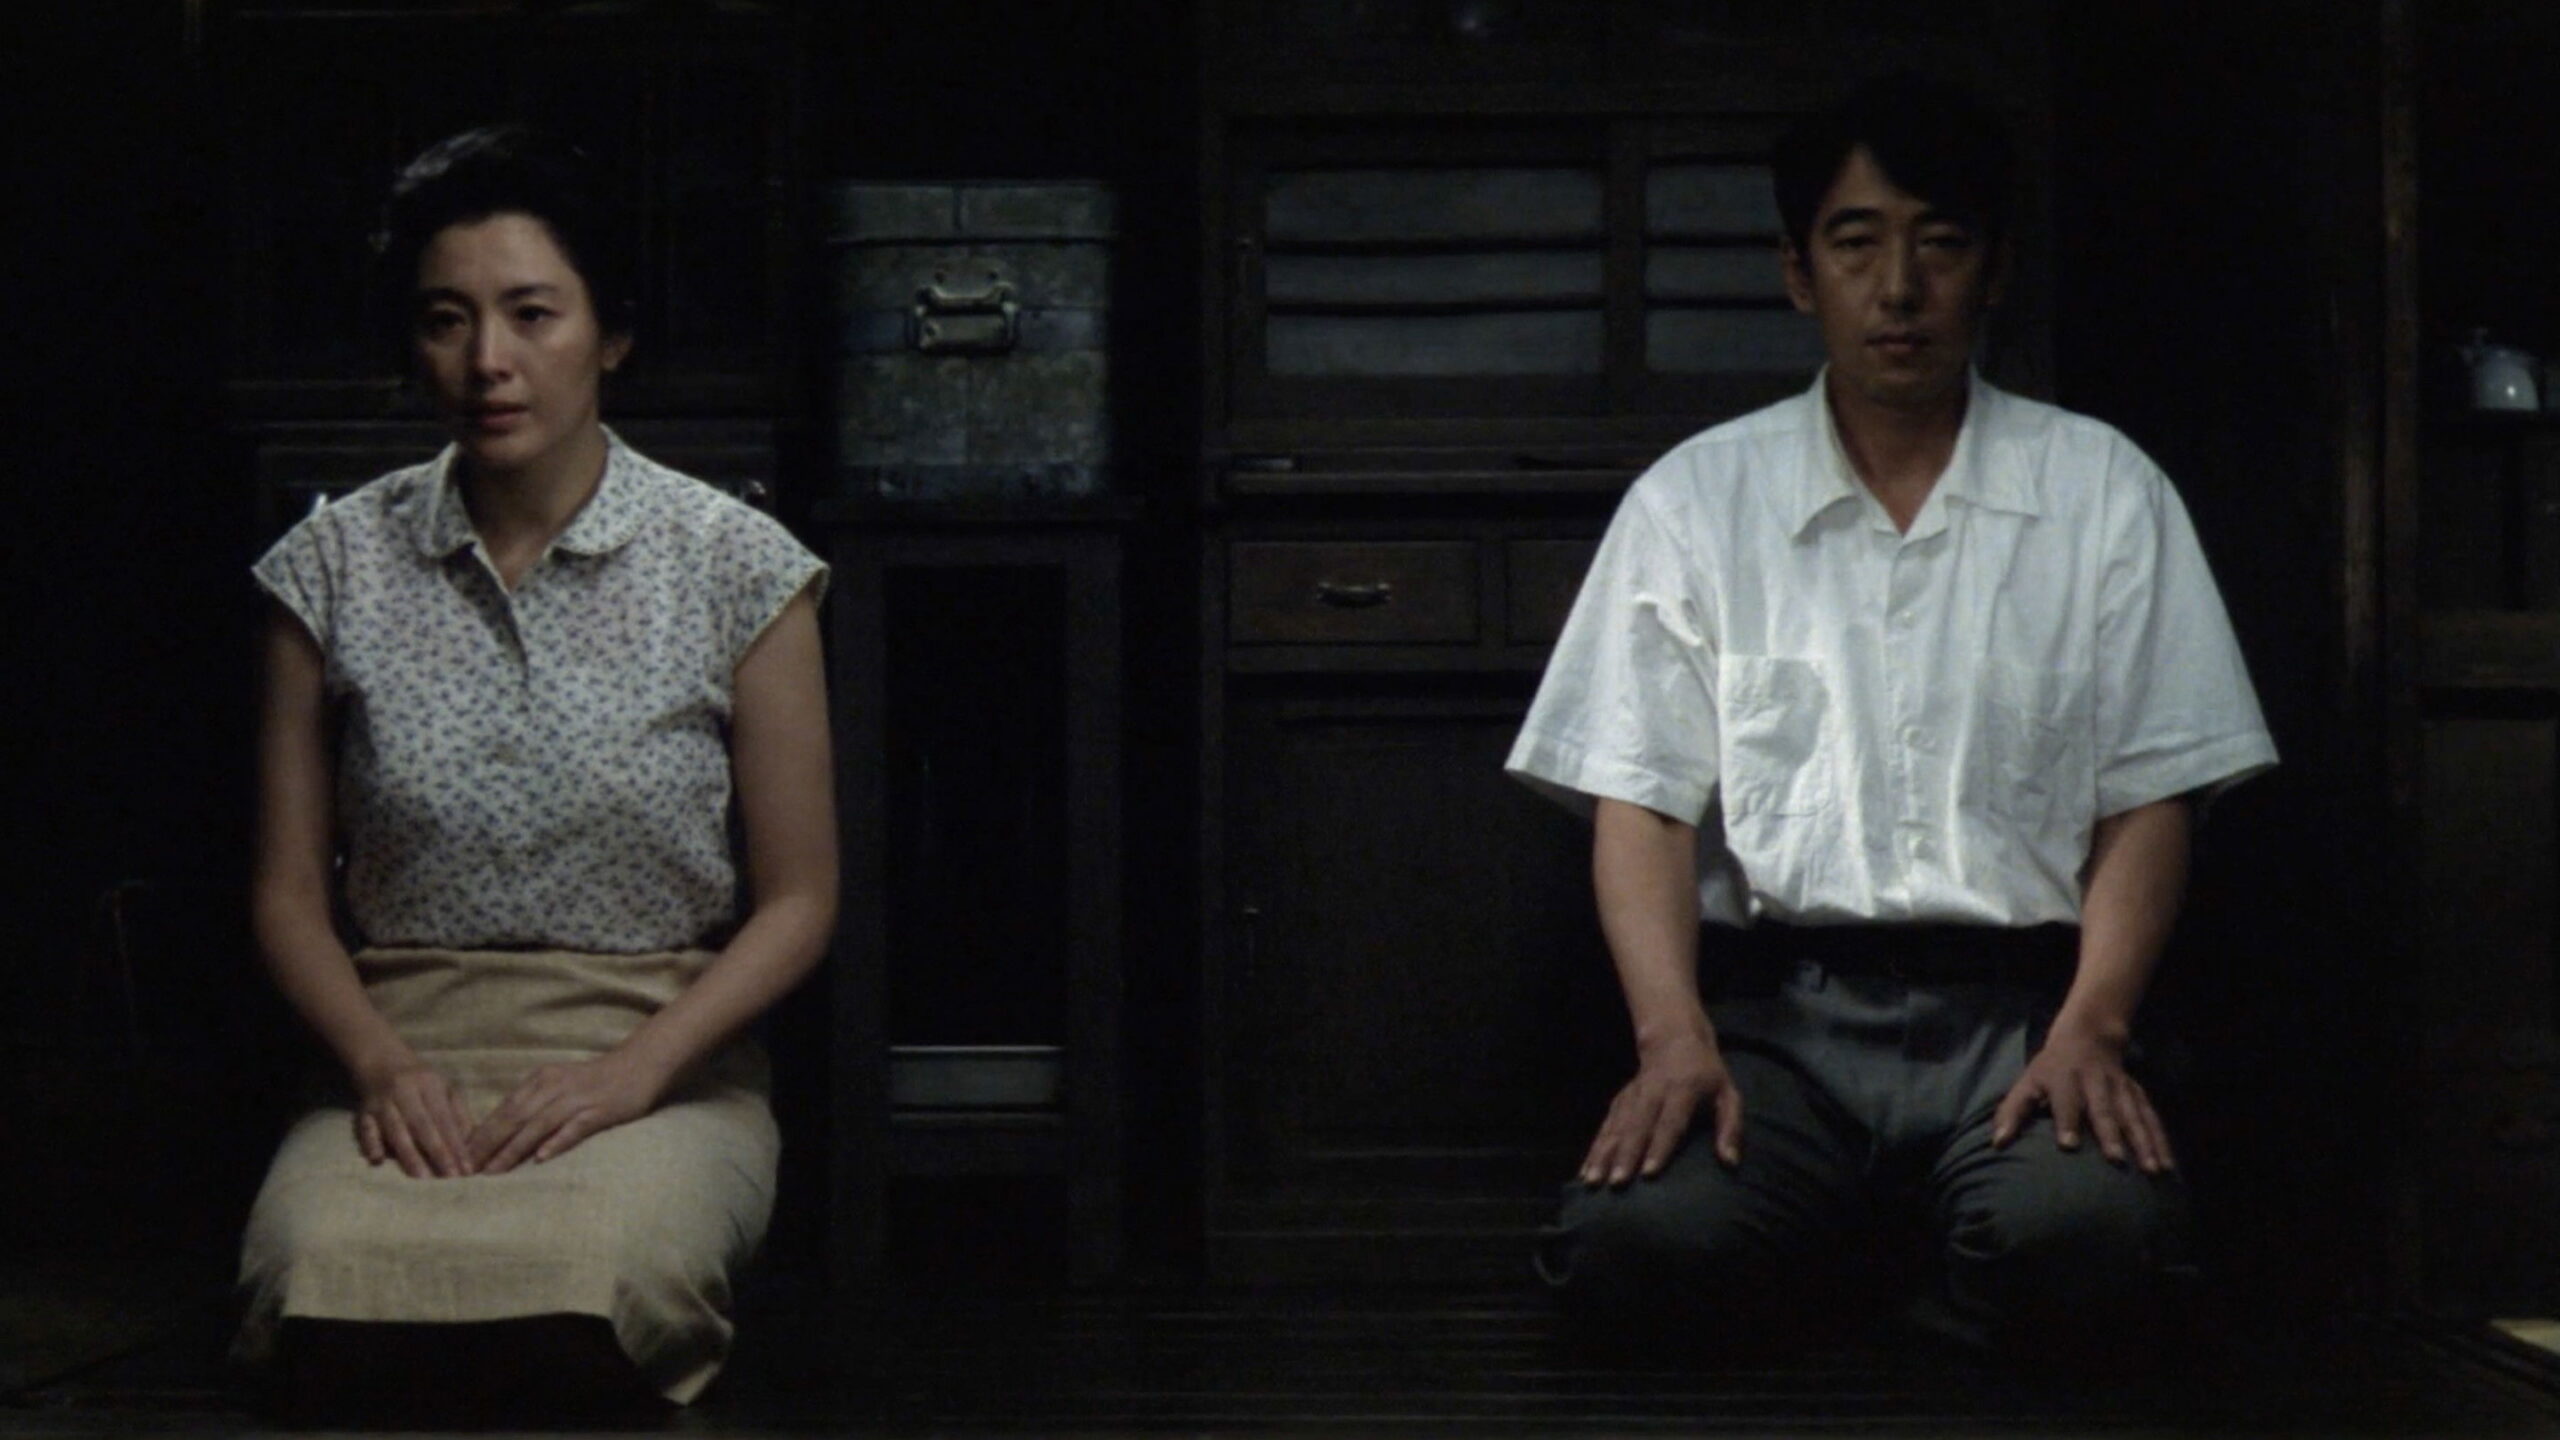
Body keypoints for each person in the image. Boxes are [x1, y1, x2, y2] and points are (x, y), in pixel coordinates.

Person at [1506, 74, 2277, 1359]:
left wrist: (2092, 1029)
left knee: (2096, 1241)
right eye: (1856, 244)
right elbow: (1638, 803)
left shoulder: (2102, 490)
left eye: (1942, 244)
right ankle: (1879, 1267)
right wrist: (1671, 1038)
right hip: (1781, 1028)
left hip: (2020, 1021)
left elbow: (2153, 796)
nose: (1900, 287)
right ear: (1797, 274)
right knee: (1630, 1248)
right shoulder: (1695, 500)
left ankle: (1878, 1271)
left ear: (1995, 270)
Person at [232, 125, 836, 1419]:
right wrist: (382, 1069)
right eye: (445, 320)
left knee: (593, 1292)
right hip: (400, 1053)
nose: (487, 361)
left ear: (610, 335)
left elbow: (801, 900)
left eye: (531, 313)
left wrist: (632, 1074)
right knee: (314, 1291)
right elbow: (285, 893)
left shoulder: (737, 567)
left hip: (658, 1057)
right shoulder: (329, 568)